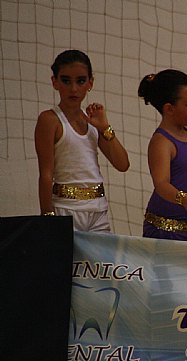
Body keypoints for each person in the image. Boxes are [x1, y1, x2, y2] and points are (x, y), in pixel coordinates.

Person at [35, 49, 129, 232]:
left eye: (80, 81)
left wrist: (104, 128)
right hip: (65, 210)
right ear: (54, 81)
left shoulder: (93, 120)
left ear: (90, 83)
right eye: (66, 80)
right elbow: (46, 174)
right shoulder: (49, 119)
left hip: (98, 209)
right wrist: (47, 218)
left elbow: (122, 164)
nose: (74, 89)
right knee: (65, 261)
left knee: (100, 262)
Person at [138, 69, 187, 243]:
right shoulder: (161, 142)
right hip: (166, 233)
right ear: (169, 108)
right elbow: (161, 183)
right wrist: (182, 198)